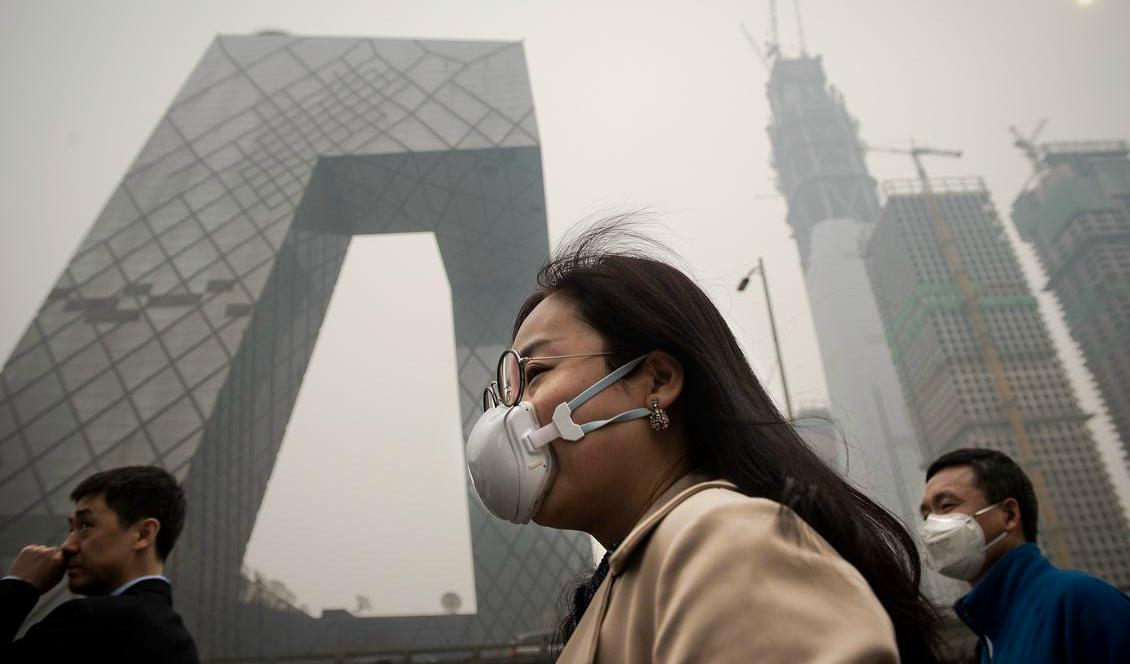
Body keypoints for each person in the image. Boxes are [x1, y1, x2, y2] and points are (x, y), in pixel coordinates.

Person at [465, 220, 942, 663]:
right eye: (507, 390)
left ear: (657, 381)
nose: (511, 413)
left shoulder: (727, 544)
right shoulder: (627, 581)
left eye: (535, 373)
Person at [920, 448, 1130, 663]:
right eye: (926, 515)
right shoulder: (989, 641)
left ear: (1009, 514)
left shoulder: (1081, 601)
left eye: (946, 506)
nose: (932, 526)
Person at [0, 465, 199, 663]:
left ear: (143, 534)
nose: (68, 545)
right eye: (71, 529)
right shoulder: (179, 640)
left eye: (86, 525)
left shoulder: (88, 620)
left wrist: (18, 585)